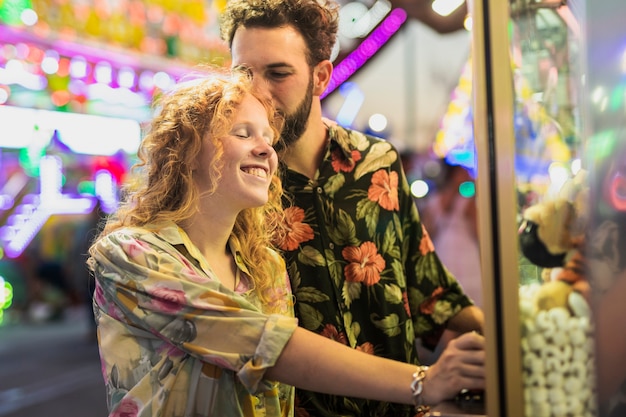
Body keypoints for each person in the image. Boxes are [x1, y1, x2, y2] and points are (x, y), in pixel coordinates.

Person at [87, 69, 485, 417]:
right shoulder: (130, 253)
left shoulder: (267, 266)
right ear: (188, 151)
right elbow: (263, 344)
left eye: (268, 137)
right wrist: (423, 382)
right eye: (243, 133)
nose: (266, 149)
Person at [220, 1, 486, 416]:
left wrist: (518, 343)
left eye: (278, 73)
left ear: (321, 76)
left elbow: (428, 288)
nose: (256, 92)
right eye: (243, 74)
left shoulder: (377, 161)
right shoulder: (228, 183)